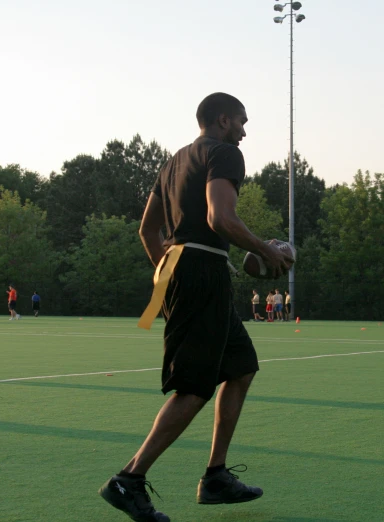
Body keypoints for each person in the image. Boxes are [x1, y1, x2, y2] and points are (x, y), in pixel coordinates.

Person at [98, 92, 294, 522]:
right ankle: (127, 480)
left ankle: (216, 478)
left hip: (187, 270)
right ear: (223, 120)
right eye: (242, 121)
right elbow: (219, 218)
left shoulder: (173, 162)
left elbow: (146, 232)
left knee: (240, 366)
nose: (245, 131)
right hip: (202, 271)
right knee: (194, 387)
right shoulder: (225, 154)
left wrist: (167, 276)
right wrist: (267, 250)